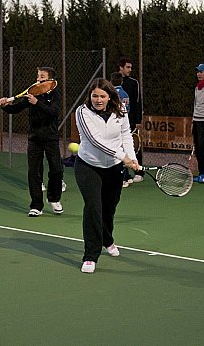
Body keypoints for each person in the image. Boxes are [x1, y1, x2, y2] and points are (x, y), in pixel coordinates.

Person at [74, 78, 138, 274]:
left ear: (110, 97)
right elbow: (96, 141)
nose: (98, 100)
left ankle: (107, 239)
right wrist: (123, 156)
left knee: (109, 208)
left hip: (113, 169)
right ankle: (90, 256)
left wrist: (132, 158)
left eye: (102, 96)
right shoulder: (82, 112)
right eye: (95, 96)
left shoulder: (120, 110)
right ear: (90, 96)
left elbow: (126, 134)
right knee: (93, 207)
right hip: (88, 167)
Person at [0, 67, 64, 216]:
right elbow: (16, 109)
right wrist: (5, 106)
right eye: (38, 76)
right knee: (34, 173)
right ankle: (36, 206)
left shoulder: (55, 95)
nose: (38, 79)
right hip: (34, 139)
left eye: (42, 76)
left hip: (51, 138)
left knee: (57, 170)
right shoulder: (32, 93)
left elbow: (54, 112)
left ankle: (54, 199)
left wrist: (37, 103)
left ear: (50, 80)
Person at [116, 57, 145, 183]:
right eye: (127, 67)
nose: (130, 70)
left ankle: (139, 172)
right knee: (119, 147)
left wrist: (138, 120)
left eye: (131, 67)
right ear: (121, 68)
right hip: (117, 122)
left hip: (131, 121)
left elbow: (138, 102)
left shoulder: (134, 83)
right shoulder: (113, 83)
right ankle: (125, 176)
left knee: (134, 145)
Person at [110, 71, 131, 188]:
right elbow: (128, 110)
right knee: (124, 150)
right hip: (123, 125)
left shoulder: (110, 94)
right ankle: (127, 177)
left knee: (117, 152)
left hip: (114, 127)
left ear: (110, 82)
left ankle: (122, 178)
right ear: (122, 82)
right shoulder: (125, 93)